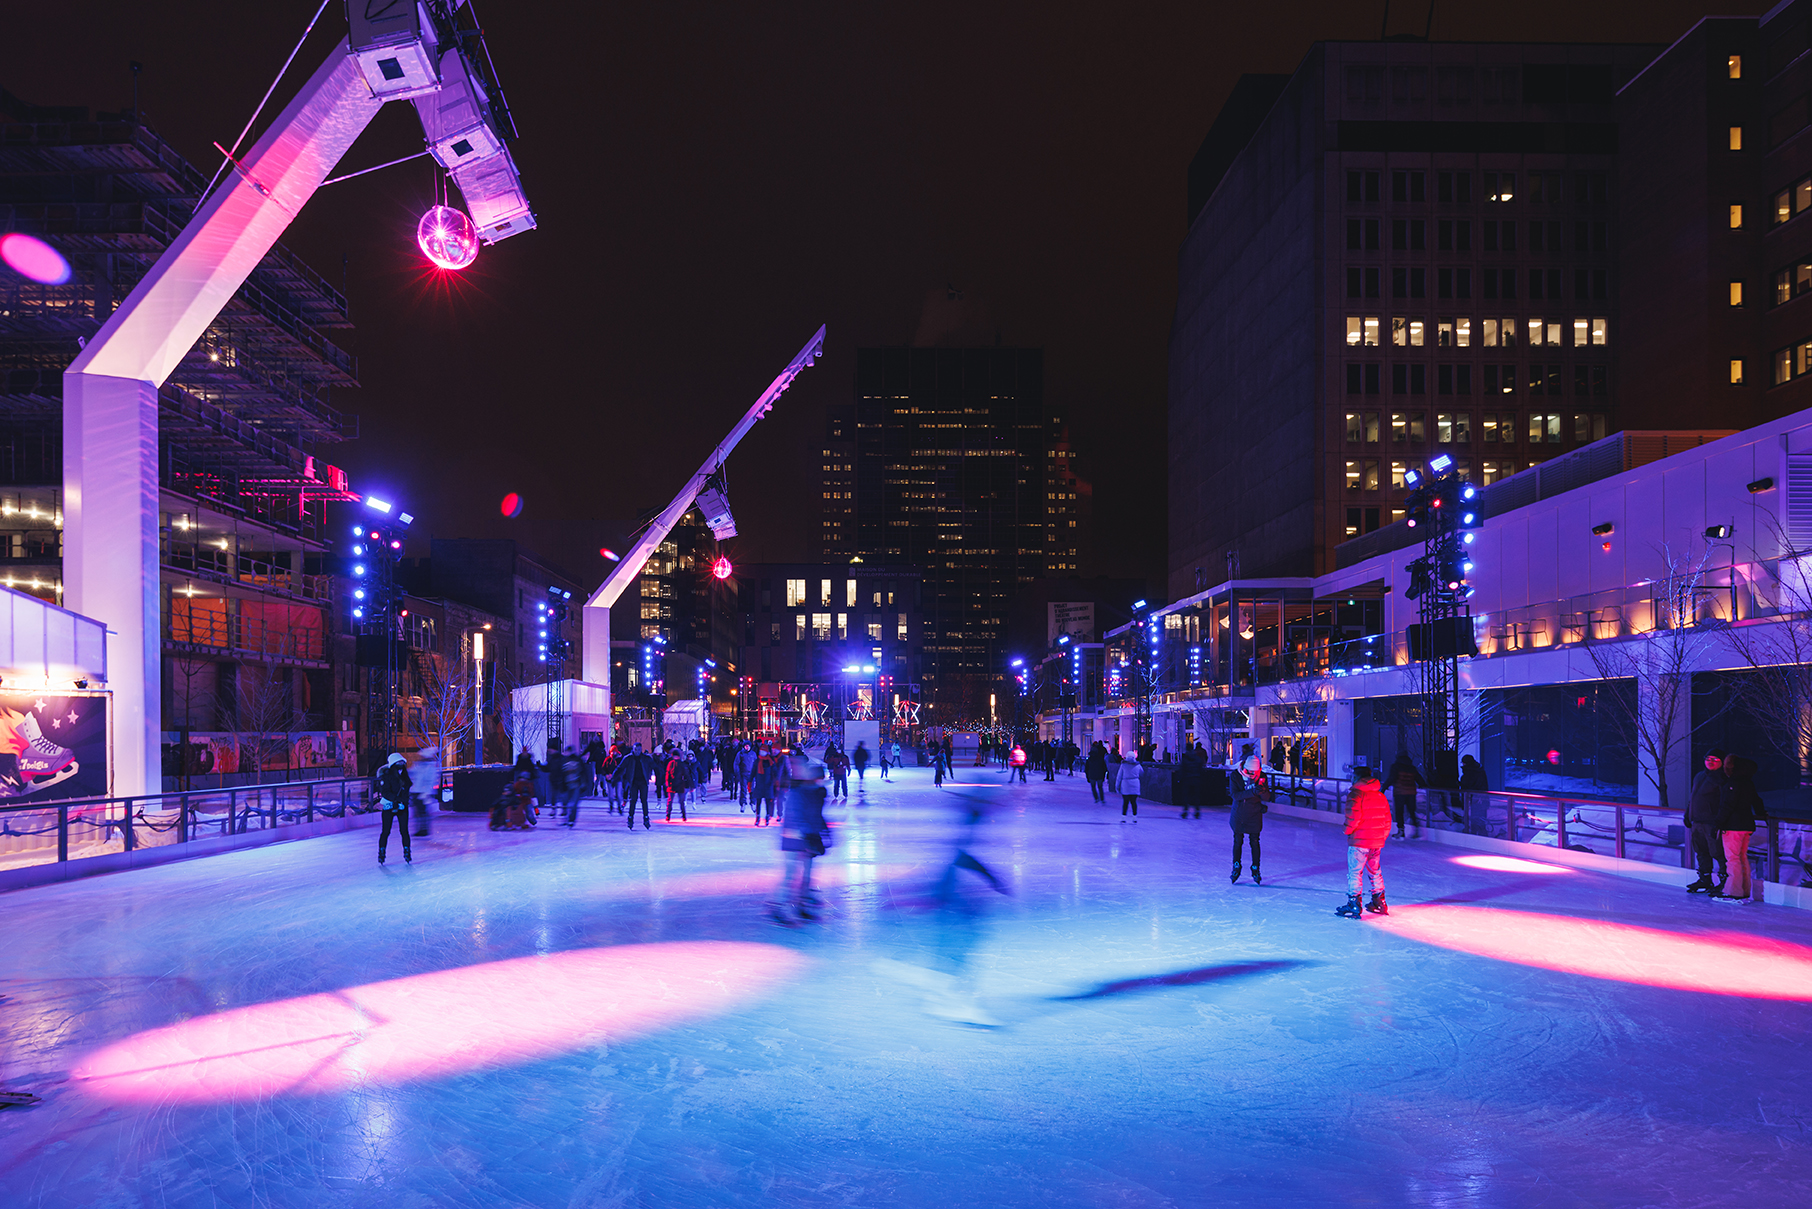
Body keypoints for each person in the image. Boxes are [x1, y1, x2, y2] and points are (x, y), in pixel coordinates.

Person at [768, 752, 832, 924]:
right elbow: (797, 817)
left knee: (806, 875)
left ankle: (802, 905)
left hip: (807, 837)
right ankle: (779, 907)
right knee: (791, 874)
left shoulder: (815, 793)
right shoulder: (799, 793)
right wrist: (809, 835)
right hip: (793, 838)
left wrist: (824, 833)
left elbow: (816, 816)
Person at [1338, 765, 1392, 917]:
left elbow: (1353, 818)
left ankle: (1354, 903)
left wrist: (1346, 830)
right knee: (1375, 871)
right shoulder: (1380, 796)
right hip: (1376, 842)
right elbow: (1388, 820)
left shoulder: (1356, 795)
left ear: (1357, 778)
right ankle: (1379, 901)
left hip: (1359, 842)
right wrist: (1381, 837)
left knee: (1355, 872)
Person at [1712, 754, 1765, 904]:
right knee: (1741, 857)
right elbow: (1757, 801)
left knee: (1733, 858)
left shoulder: (1733, 783)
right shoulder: (1748, 783)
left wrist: (1718, 823)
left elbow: (1727, 805)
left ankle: (1733, 891)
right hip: (1746, 825)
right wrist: (1762, 814)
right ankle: (1744, 889)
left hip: (1733, 826)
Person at [1686, 749, 1729, 894]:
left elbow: (1725, 802)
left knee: (1718, 852)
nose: (1710, 762)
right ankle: (1705, 879)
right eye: (1708, 758)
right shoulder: (1699, 776)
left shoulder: (1722, 779)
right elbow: (1693, 797)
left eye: (1715, 760)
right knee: (1701, 851)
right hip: (1697, 821)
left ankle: (1724, 881)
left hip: (1711, 822)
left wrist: (1719, 821)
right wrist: (1688, 814)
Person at [374, 752, 413, 865]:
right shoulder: (386, 776)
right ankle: (381, 852)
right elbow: (385, 792)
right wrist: (395, 800)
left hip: (402, 806)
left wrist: (403, 801)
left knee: (404, 830)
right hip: (389, 806)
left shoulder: (405, 776)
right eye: (399, 762)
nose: (401, 764)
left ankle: (407, 851)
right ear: (393, 763)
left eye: (402, 762)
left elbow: (406, 791)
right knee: (386, 831)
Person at [1230, 774, 1266, 883]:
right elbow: (1235, 795)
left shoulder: (1261, 776)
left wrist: (1263, 791)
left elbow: (1267, 797)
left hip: (1254, 815)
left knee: (1254, 842)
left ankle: (1255, 867)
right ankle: (1236, 866)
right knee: (1238, 841)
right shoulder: (1236, 776)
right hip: (1239, 815)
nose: (1252, 773)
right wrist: (1253, 792)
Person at [615, 742, 655, 830]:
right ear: (633, 749)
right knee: (633, 800)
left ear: (641, 750)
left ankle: (646, 817)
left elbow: (655, 766)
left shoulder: (645, 758)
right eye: (636, 749)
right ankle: (630, 818)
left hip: (643, 782)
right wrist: (613, 777)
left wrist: (663, 774)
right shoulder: (628, 758)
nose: (637, 751)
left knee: (644, 800)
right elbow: (620, 768)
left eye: (639, 750)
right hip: (633, 782)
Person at [1386, 749, 1424, 838]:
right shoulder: (1412, 768)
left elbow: (1391, 778)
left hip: (1400, 792)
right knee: (1411, 811)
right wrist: (1424, 785)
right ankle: (1417, 830)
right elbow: (1419, 779)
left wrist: (1383, 788)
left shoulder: (1396, 766)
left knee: (1399, 812)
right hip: (1411, 792)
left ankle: (1401, 831)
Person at [408, 744, 441, 838]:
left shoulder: (429, 767)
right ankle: (421, 829)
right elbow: (411, 772)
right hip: (416, 791)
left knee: (422, 811)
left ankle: (424, 829)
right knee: (418, 811)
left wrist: (426, 793)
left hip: (422, 793)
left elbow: (430, 781)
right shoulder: (419, 765)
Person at [1459, 754, 1489, 834]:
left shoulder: (1470, 773)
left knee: (1475, 818)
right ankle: (1480, 833)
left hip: (1475, 799)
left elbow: (1468, 785)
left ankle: (1474, 832)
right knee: (1480, 818)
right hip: (1480, 799)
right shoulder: (1479, 771)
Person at [753, 745, 782, 825]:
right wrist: (750, 782)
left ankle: (767, 816)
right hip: (759, 785)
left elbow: (775, 773)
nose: (761, 752)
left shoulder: (770, 761)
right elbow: (753, 772)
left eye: (763, 751)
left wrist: (776, 782)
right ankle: (758, 817)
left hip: (768, 785)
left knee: (767, 802)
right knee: (758, 802)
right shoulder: (757, 761)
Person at [664, 748, 693, 821]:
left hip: (676, 784)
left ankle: (671, 815)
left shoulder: (674, 763)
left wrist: (667, 782)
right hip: (677, 784)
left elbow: (668, 773)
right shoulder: (677, 763)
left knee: (673, 801)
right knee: (677, 801)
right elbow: (686, 775)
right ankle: (680, 815)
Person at [1111, 752, 1139, 822]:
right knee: (1134, 802)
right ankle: (1134, 817)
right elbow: (1141, 772)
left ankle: (1123, 817)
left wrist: (1117, 786)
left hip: (1126, 784)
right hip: (1135, 784)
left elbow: (1119, 776)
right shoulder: (1137, 765)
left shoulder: (1123, 765)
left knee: (1125, 802)